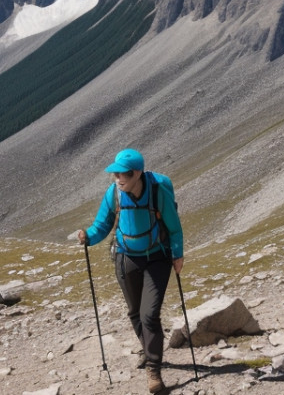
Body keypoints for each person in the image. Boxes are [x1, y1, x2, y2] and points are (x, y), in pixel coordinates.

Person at [78, 148, 184, 394]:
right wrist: (88, 237)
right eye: (115, 174)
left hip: (158, 257)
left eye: (122, 174)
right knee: (135, 313)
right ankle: (149, 350)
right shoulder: (114, 193)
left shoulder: (157, 192)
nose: (117, 178)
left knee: (149, 314)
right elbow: (102, 225)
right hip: (126, 258)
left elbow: (174, 228)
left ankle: (154, 370)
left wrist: (177, 254)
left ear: (137, 173)